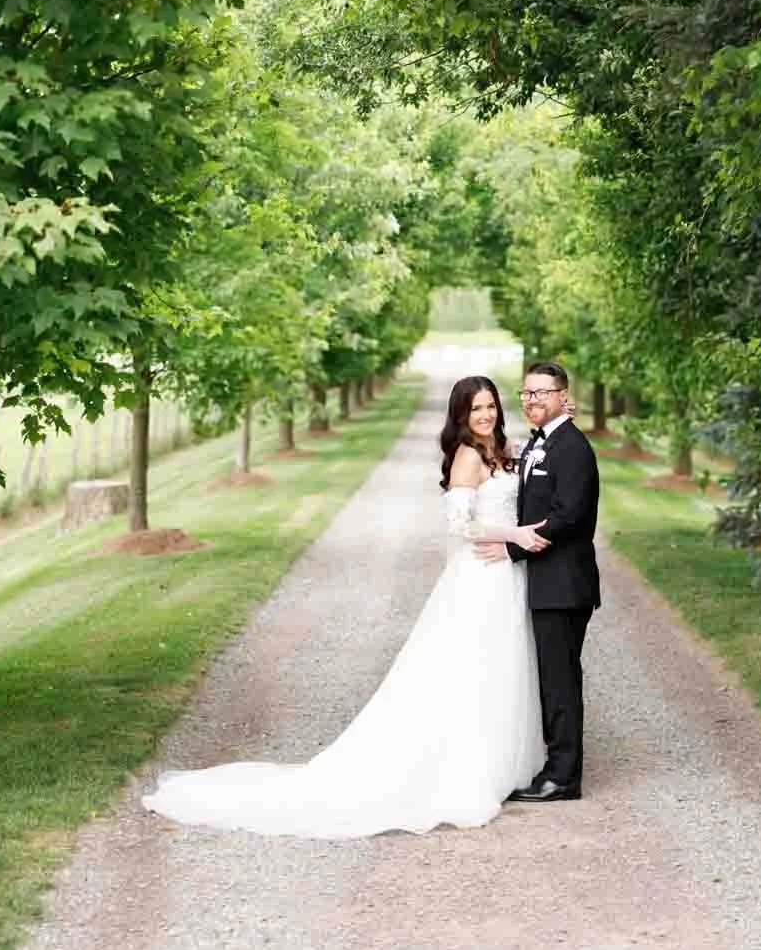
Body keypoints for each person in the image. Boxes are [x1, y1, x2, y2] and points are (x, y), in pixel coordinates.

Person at [139, 375, 547, 837]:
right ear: (460, 416)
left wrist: (557, 421)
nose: (486, 415)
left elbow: (535, 454)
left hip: (506, 576)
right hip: (479, 576)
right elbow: (459, 525)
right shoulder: (468, 456)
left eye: (490, 406)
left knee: (503, 665)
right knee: (471, 669)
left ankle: (502, 760)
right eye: (476, 409)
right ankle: (466, 769)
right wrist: (512, 535)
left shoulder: (502, 448)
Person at [476, 358, 599, 802]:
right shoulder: (540, 443)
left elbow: (568, 515)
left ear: (563, 396)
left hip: (565, 585)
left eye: (541, 393)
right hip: (544, 584)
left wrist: (512, 546)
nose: (532, 400)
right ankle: (553, 763)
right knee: (549, 678)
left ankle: (564, 777)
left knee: (561, 680)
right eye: (527, 393)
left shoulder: (573, 448)